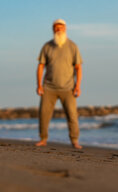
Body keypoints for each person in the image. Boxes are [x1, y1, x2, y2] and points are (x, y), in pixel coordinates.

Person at [35, 19, 83, 149]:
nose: (59, 30)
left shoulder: (73, 46)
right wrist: (39, 85)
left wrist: (77, 86)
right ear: (53, 30)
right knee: (44, 114)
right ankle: (43, 139)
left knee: (72, 115)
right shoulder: (47, 46)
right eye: (56, 28)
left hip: (68, 88)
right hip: (48, 87)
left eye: (61, 28)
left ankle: (74, 140)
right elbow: (40, 66)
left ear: (65, 29)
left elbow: (78, 67)